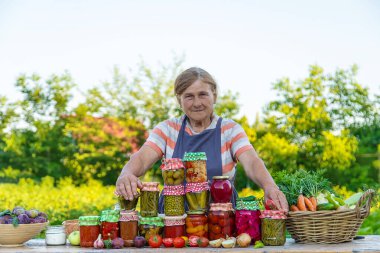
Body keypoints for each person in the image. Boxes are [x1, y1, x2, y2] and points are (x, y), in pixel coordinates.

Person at [115, 67, 289, 211]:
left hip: (220, 220)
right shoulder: (167, 130)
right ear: (179, 100)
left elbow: (251, 162)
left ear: (214, 95)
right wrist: (126, 173)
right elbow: (142, 158)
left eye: (203, 94)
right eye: (189, 96)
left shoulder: (229, 130)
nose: (196, 102)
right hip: (173, 219)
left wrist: (269, 186)